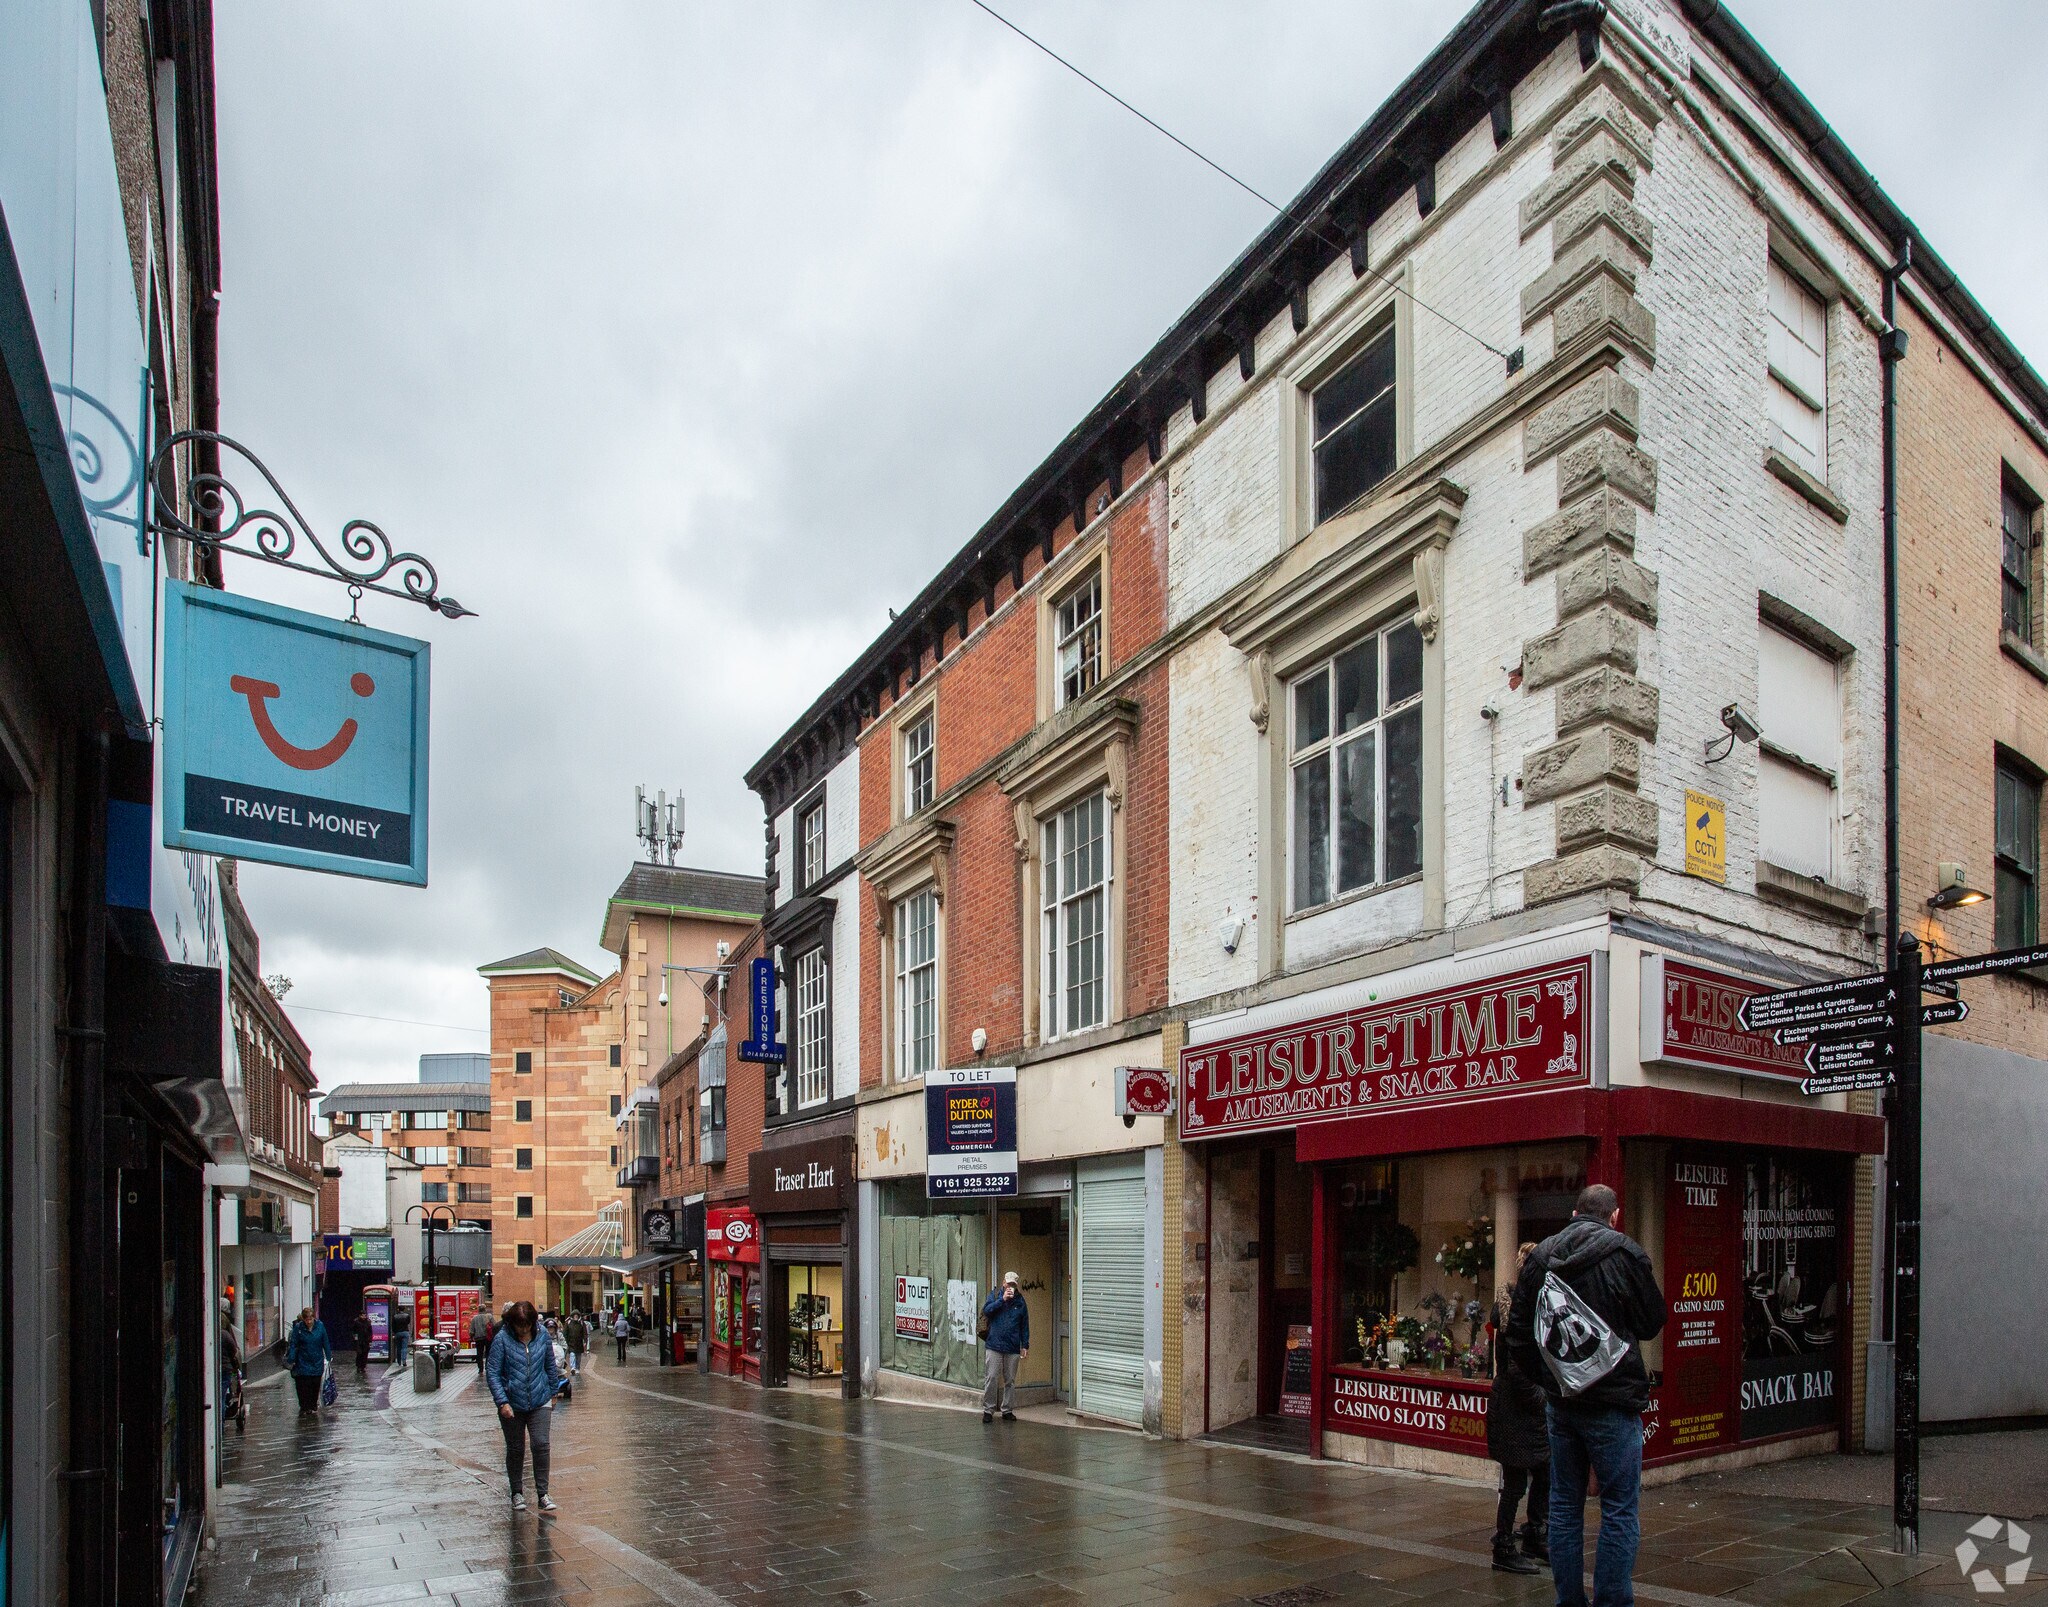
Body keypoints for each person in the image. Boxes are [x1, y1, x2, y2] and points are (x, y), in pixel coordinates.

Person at [1506, 1184, 1666, 1607]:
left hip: (1563, 1404)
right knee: (1618, 1509)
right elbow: (1652, 1322)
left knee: (1563, 1507)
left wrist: (1552, 1378)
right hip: (1614, 1404)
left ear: (1575, 1213)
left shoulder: (1541, 1257)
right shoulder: (1626, 1254)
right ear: (1613, 1217)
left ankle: (1569, 1602)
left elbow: (1517, 1334)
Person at [1486, 1243, 1549, 1575]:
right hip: (1514, 1408)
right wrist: (1545, 1396)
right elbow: (1516, 1371)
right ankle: (1504, 1546)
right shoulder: (1516, 1312)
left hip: (1528, 1409)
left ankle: (1535, 1536)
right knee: (1513, 1481)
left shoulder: (1533, 1307)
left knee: (1544, 1471)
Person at [487, 1301, 565, 1514]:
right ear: (512, 1323)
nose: (523, 1330)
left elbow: (550, 1365)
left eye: (527, 1326)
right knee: (516, 1448)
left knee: (541, 1445)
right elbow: (493, 1372)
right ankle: (517, 1492)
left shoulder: (542, 1337)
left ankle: (543, 1494)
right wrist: (502, 1401)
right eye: (520, 1326)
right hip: (511, 1403)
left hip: (540, 1399)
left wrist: (553, 1392)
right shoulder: (502, 1339)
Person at [979, 1272, 1029, 1424]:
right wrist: (1002, 1300)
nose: (1010, 1287)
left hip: (1012, 1346)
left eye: (1013, 1285)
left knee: (1010, 1380)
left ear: (1016, 1285)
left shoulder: (1020, 1302)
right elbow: (986, 1311)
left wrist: (1025, 1344)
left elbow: (1024, 1324)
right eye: (1008, 1284)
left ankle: (1007, 1410)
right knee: (992, 1377)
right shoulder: (994, 1296)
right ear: (1003, 1283)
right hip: (994, 1344)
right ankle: (988, 1410)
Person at [283, 1306, 332, 1416]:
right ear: (303, 1319)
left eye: (311, 1319)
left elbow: (325, 1341)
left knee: (315, 1384)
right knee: (303, 1385)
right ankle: (304, 1406)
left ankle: (313, 1404)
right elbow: (294, 1344)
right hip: (303, 1360)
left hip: (316, 1360)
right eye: (307, 1319)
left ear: (314, 1318)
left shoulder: (320, 1326)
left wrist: (328, 1356)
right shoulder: (298, 1328)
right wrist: (291, 1359)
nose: (309, 1322)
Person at [389, 1293, 412, 1368]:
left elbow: (393, 1326)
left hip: (398, 1333)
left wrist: (394, 1333)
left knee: (398, 1347)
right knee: (404, 1347)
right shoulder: (407, 1316)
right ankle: (404, 1361)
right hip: (405, 1332)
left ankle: (398, 1361)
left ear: (398, 1309)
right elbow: (408, 1322)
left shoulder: (395, 1316)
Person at [351, 1310, 373, 1376]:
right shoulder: (356, 1322)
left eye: (365, 1315)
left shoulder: (368, 1322)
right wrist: (355, 1338)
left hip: (366, 1340)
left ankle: (363, 1367)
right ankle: (358, 1366)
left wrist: (370, 1340)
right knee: (359, 1353)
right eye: (362, 1315)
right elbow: (353, 1331)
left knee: (365, 1354)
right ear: (360, 1315)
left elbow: (370, 1332)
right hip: (359, 1340)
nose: (364, 1317)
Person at [471, 1305, 491, 1374]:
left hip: (478, 1338)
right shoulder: (489, 1316)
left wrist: (472, 1337)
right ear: (485, 1309)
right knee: (488, 1352)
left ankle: (480, 1368)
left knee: (479, 1353)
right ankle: (487, 1366)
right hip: (488, 1338)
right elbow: (494, 1326)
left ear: (478, 1310)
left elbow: (472, 1331)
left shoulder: (474, 1318)